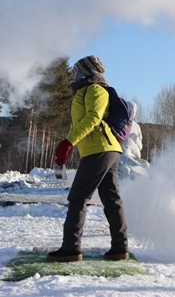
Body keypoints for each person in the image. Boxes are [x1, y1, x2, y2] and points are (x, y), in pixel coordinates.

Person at [47, 55, 129, 263]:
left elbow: (93, 117)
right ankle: (120, 249)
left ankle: (71, 249)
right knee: (111, 199)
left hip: (100, 149)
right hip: (103, 149)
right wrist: (67, 146)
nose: (73, 75)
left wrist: (69, 142)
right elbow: (81, 123)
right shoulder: (83, 91)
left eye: (76, 71)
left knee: (77, 198)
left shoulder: (95, 90)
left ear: (86, 72)